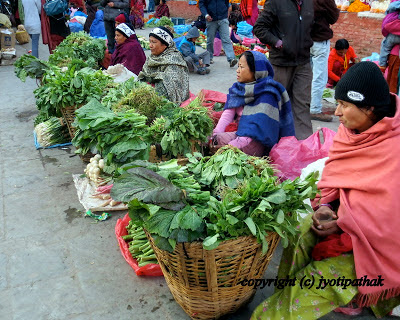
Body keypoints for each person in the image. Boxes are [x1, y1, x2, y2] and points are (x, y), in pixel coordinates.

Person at [251, 61, 400, 320]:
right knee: (299, 232)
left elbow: (389, 221)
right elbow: (333, 177)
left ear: (369, 108)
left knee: (317, 281)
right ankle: (284, 294)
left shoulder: (393, 147)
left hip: (378, 247)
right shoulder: (351, 132)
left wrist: (344, 226)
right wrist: (324, 208)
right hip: (349, 223)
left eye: (344, 105)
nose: (337, 113)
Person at [212, 51, 295, 156]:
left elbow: (258, 127)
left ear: (256, 71)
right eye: (238, 67)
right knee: (217, 139)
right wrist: (216, 132)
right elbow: (228, 114)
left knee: (233, 149)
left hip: (257, 139)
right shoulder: (238, 89)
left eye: (242, 67)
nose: (237, 71)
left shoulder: (268, 93)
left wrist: (234, 145)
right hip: (240, 132)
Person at [254, 0, 314, 140]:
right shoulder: (276, 2)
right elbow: (259, 28)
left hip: (303, 61)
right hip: (281, 62)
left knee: (302, 104)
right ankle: (269, 142)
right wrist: (278, 42)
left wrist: (307, 41)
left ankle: (304, 143)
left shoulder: (309, 3)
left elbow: (314, 27)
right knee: (275, 103)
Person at [138, 26, 190, 104]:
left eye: (154, 42)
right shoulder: (152, 57)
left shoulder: (174, 60)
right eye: (150, 41)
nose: (150, 45)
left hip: (168, 100)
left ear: (165, 44)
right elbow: (144, 75)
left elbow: (170, 88)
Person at [309, 0, 339, 122]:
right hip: (319, 40)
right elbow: (333, 17)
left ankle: (304, 106)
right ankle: (315, 109)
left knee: (306, 75)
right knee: (319, 77)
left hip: (305, 39)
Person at [199, 0, 238, 67]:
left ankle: (231, 58)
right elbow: (201, 4)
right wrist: (206, 14)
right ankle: (209, 58)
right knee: (210, 40)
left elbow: (226, 3)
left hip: (223, 18)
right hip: (211, 19)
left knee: (226, 39)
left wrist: (226, 14)